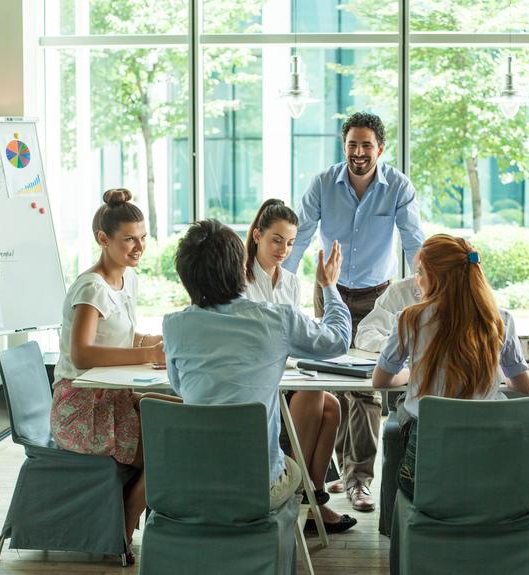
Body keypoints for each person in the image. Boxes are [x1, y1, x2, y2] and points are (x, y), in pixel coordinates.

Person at [163, 219, 356, 535]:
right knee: (295, 471)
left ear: (187, 277)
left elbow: (180, 387)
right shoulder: (275, 319)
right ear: (240, 269)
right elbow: (336, 340)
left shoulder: (174, 325)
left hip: (192, 483)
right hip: (257, 487)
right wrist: (329, 286)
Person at [283, 111, 426, 512]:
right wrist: (282, 289)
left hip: (376, 297)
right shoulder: (322, 184)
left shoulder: (397, 186)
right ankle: (331, 473)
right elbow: (299, 240)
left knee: (366, 388)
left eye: (366, 145)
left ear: (380, 148)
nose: (359, 153)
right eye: (352, 145)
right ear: (343, 146)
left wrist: (424, 292)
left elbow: (415, 242)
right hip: (330, 291)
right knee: (329, 379)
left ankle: (360, 479)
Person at [49, 189, 180, 562]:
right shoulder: (92, 287)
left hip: (111, 396)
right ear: (103, 239)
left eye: (143, 238)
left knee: (178, 414)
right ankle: (121, 528)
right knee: (169, 450)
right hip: (82, 407)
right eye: (129, 240)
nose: (139, 247)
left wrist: (156, 340)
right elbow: (83, 353)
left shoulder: (126, 279)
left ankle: (136, 516)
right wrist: (144, 353)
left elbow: (122, 334)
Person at [372, 234, 529, 498]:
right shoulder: (500, 319)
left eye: (420, 272)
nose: (417, 279)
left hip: (427, 476)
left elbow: (380, 381)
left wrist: (412, 374)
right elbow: (523, 386)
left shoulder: (409, 319)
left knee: (406, 412)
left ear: (436, 277)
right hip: (489, 474)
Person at [243, 199, 355, 532]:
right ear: (257, 235)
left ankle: (311, 496)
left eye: (290, 243)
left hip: (284, 373)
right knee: (314, 396)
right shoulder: (239, 279)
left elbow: (295, 335)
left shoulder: (290, 281)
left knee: (331, 406)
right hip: (258, 380)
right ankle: (292, 496)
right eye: (276, 240)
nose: (283, 249)